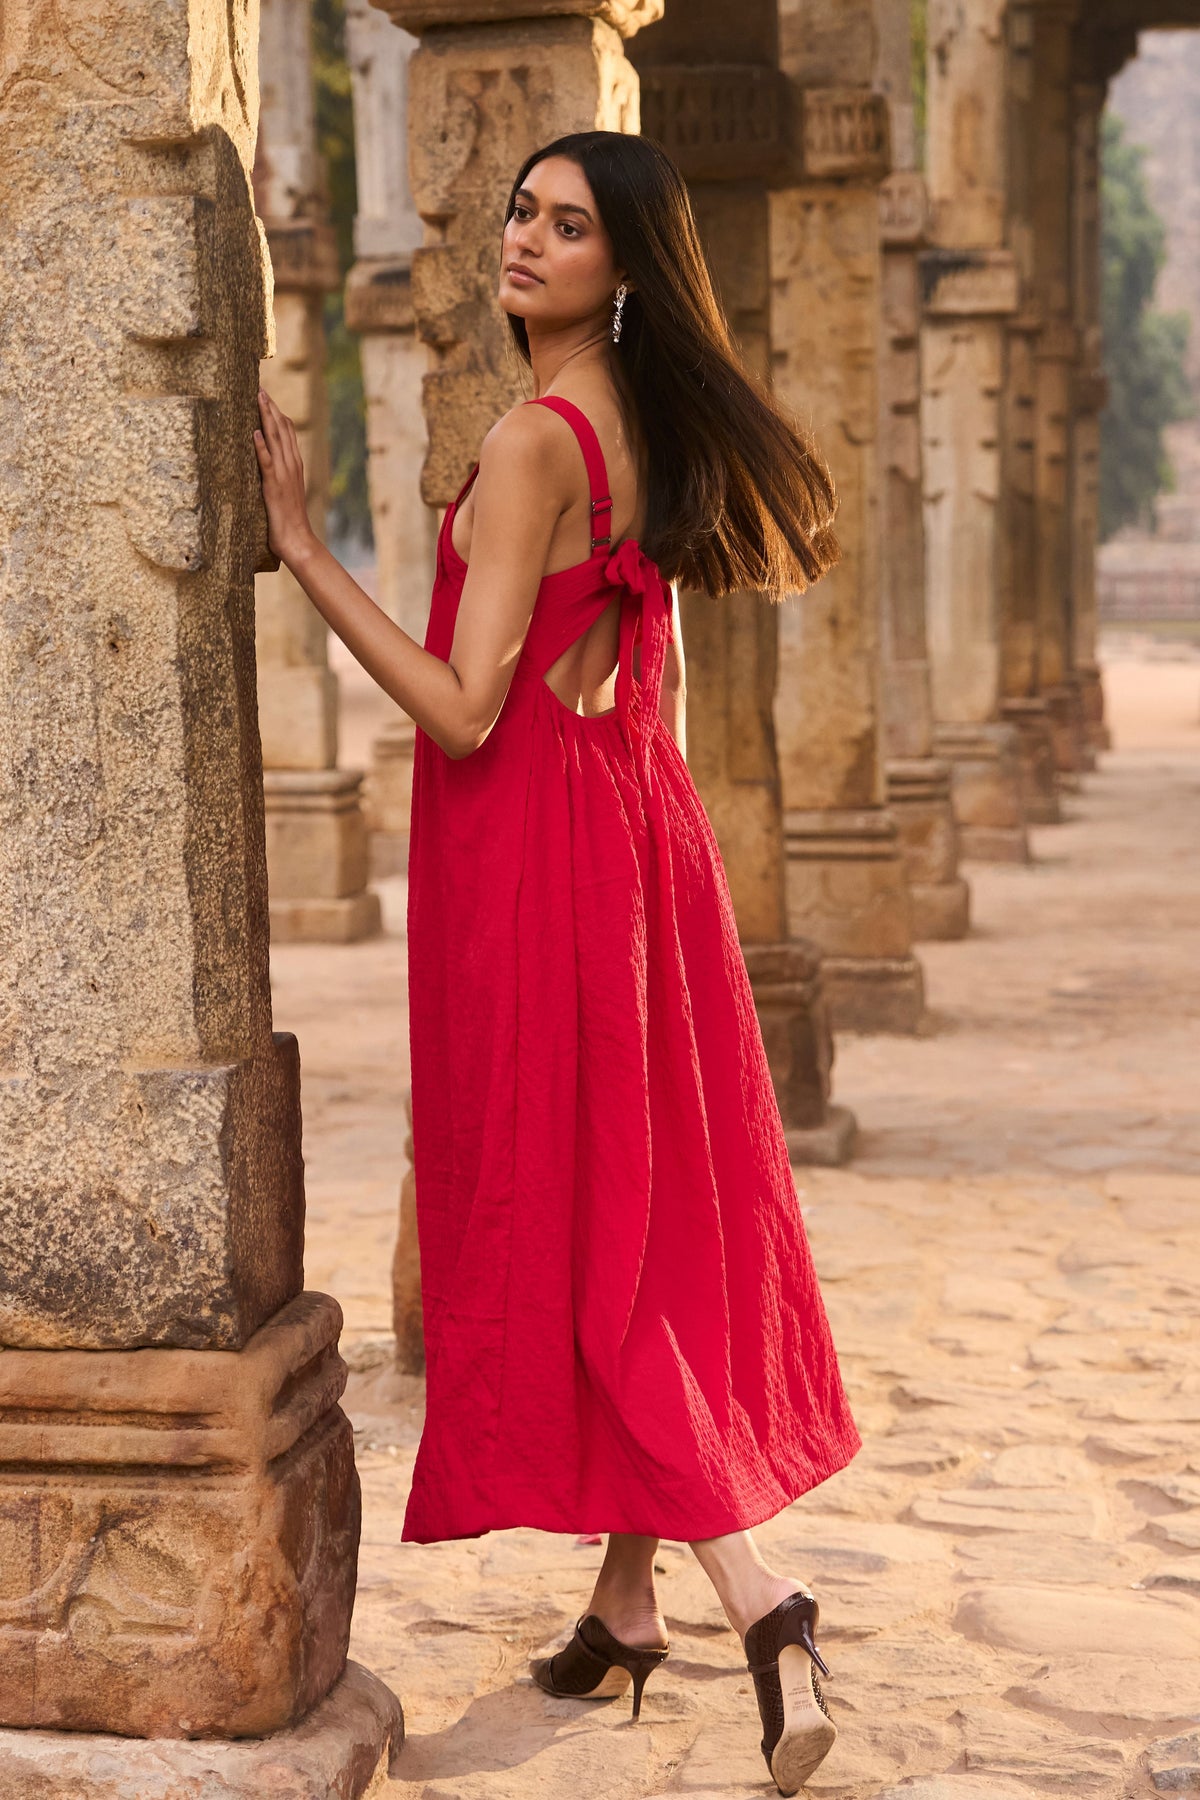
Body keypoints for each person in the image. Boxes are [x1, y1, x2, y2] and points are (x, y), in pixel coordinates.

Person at [254, 128, 860, 1797]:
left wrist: (311, 554)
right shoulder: (640, 423)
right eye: (521, 210)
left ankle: (764, 1596)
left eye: (566, 225)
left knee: (585, 1236)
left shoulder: (534, 439)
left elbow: (463, 706)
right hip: (633, 836)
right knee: (631, 1199)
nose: (523, 238)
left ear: (624, 267)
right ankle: (625, 1611)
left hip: (534, 856)